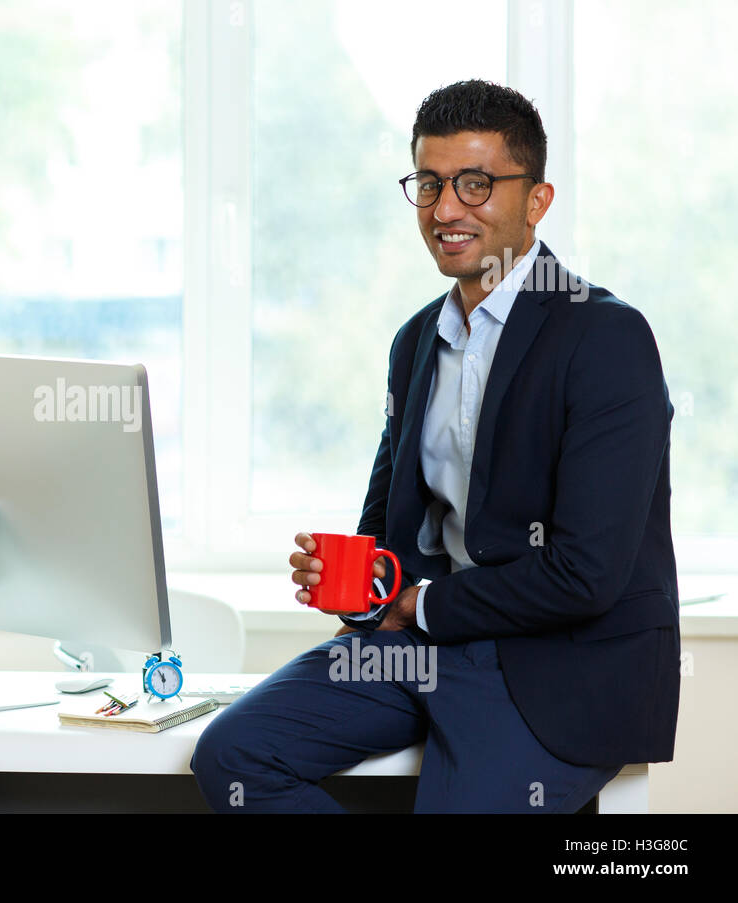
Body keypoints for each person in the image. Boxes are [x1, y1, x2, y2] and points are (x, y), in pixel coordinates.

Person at [189, 79, 680, 813]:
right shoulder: (418, 338)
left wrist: (423, 605)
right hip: (423, 645)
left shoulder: (605, 337)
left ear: (537, 201)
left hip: (555, 668)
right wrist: (358, 583)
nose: (447, 209)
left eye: (476, 184)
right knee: (235, 755)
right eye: (430, 183)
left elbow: (586, 573)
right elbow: (387, 524)